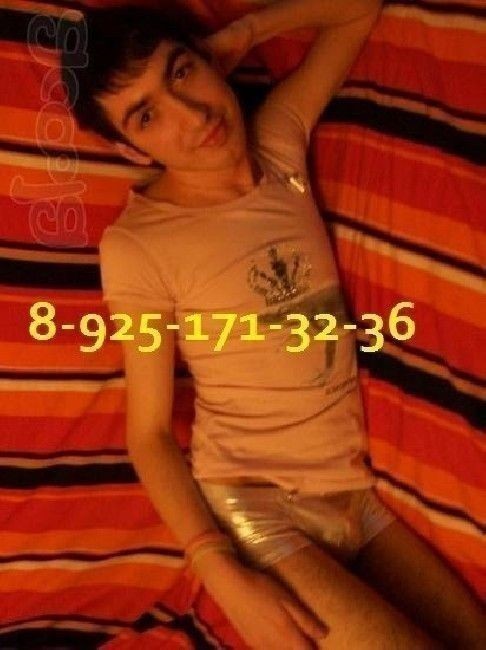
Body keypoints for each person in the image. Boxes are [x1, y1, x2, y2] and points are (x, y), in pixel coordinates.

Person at [62, 2, 486, 648]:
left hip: (356, 496)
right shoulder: (138, 244)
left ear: (208, 58)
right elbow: (148, 434)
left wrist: (245, 33)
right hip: (257, 509)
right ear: (128, 146)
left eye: (181, 72)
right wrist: (219, 568)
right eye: (147, 116)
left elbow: (358, 11)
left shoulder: (279, 138)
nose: (193, 115)